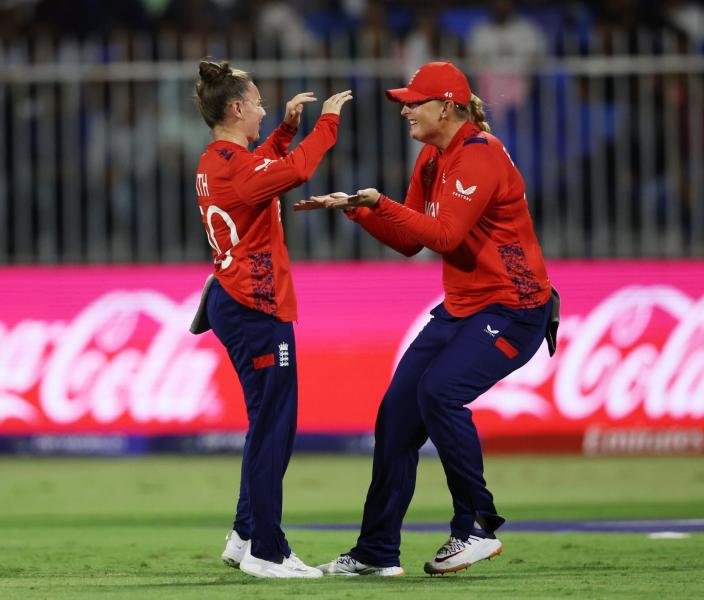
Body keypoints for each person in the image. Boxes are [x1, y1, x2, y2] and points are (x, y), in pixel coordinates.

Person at [297, 61, 558, 577]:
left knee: (440, 391)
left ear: (449, 105)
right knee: (396, 416)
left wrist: (382, 202)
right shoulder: (433, 159)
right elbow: (412, 241)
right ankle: (376, 552)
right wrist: (359, 210)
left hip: (515, 308)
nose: (405, 110)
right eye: (403, 102)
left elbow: (444, 236)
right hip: (463, 308)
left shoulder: (479, 155)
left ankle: (477, 525)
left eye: (414, 102)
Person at [190, 58, 351, 578]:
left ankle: (244, 534)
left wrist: (283, 130)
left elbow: (262, 172)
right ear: (237, 108)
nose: (262, 108)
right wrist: (327, 123)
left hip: (233, 299)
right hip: (256, 305)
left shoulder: (218, 159)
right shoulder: (236, 167)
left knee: (265, 424)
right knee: (274, 429)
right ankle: (267, 548)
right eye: (258, 102)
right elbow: (295, 172)